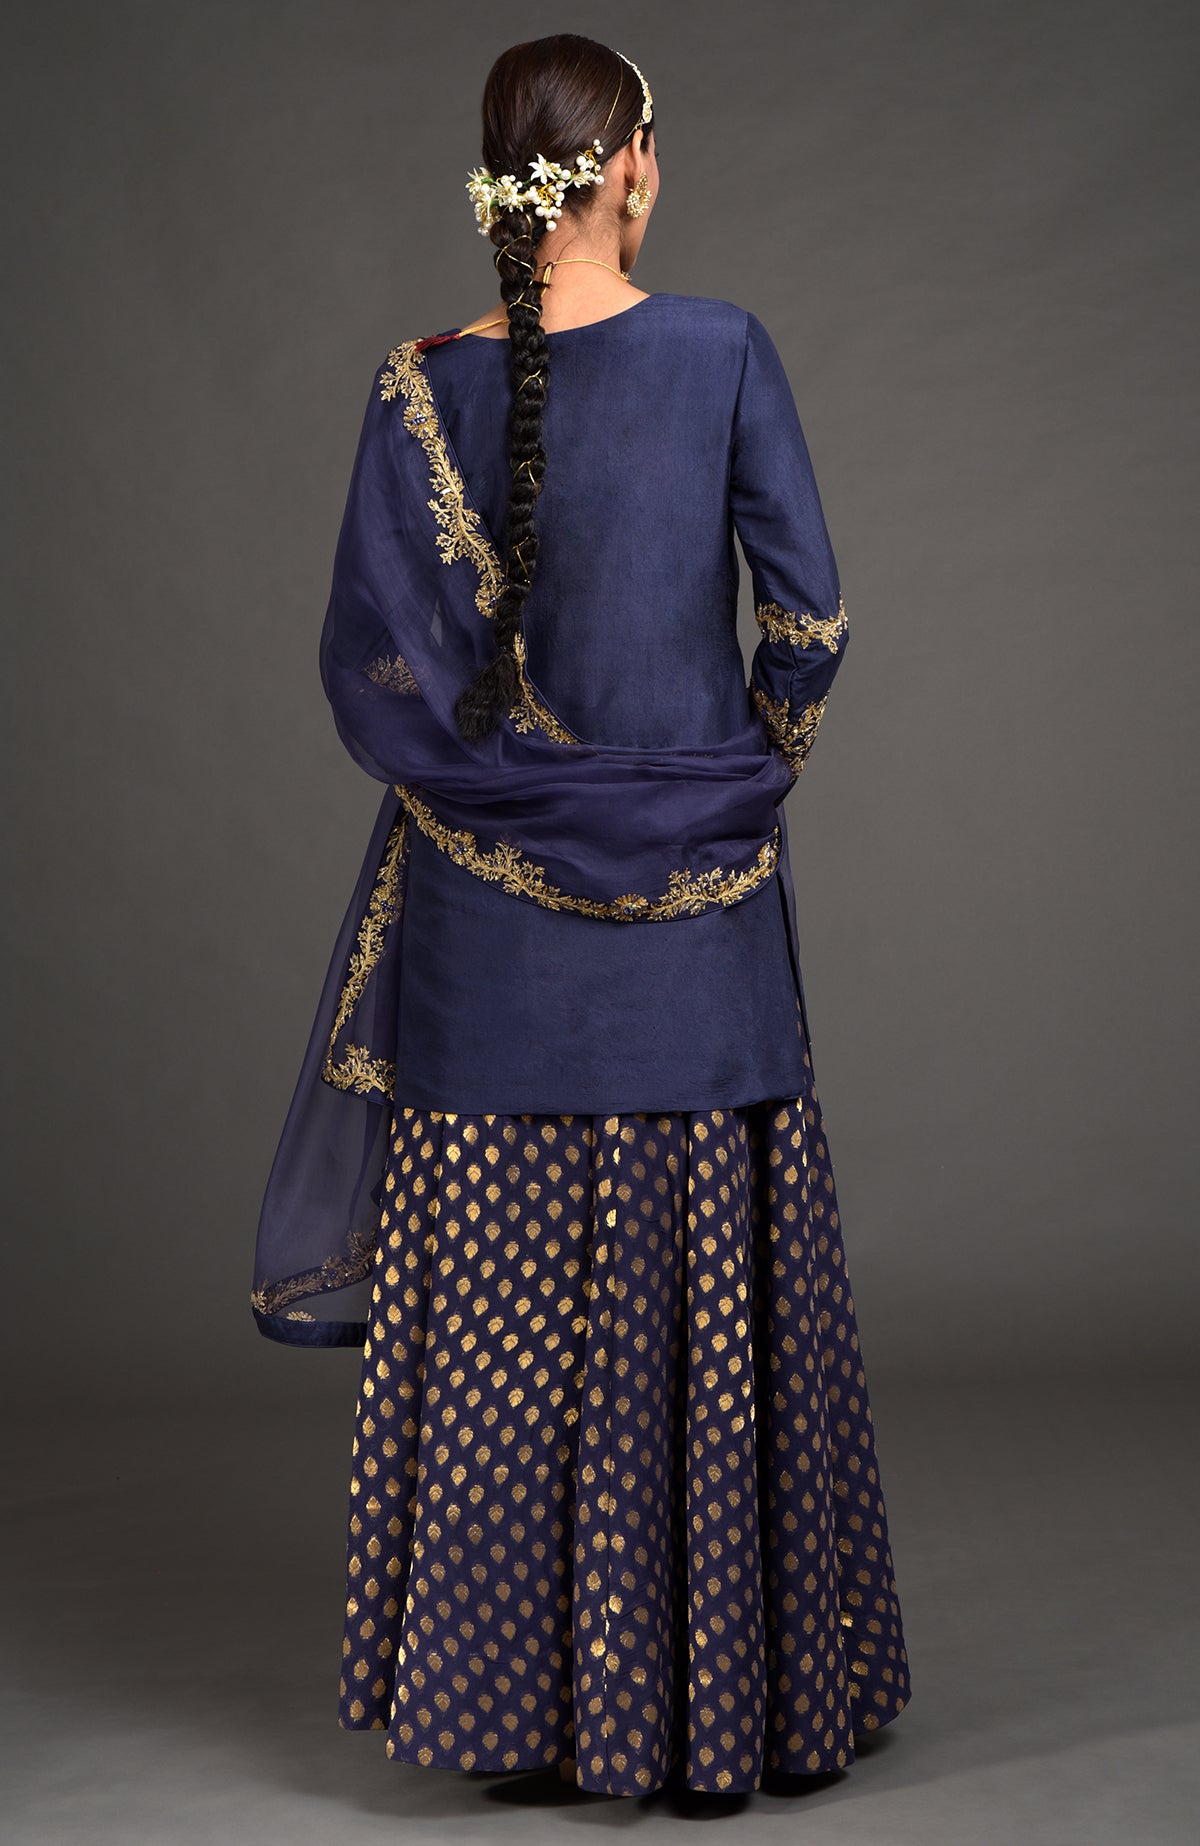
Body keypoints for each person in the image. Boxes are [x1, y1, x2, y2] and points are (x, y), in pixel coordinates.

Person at [251, 32, 911, 1801]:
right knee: (701, 1330)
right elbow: (813, 621)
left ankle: (510, 1721)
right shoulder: (723, 350)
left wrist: (528, 788)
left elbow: (376, 674)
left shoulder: (417, 389)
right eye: (652, 146)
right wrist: (731, 777)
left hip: (485, 948)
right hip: (702, 925)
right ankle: (715, 1714)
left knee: (499, 1334)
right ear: (626, 166)